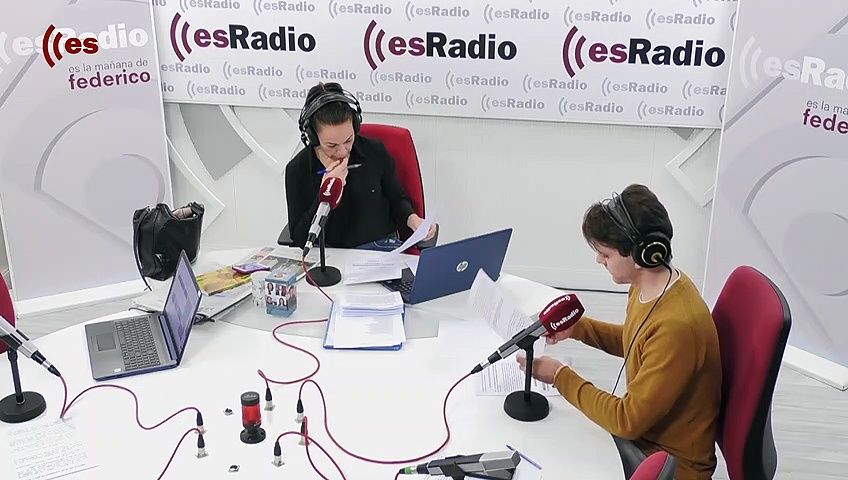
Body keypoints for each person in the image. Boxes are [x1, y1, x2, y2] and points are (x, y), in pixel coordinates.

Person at [517, 184, 722, 480]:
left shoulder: (677, 327)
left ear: (641, 255)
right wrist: (579, 328)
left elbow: (626, 421)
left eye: (605, 254)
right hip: (646, 438)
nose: (599, 260)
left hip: (670, 465)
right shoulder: (651, 285)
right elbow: (638, 342)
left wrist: (559, 376)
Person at [285, 82, 436, 251]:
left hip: (380, 248)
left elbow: (397, 199)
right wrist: (326, 192)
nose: (342, 151)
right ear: (313, 137)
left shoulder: (374, 152)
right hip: (329, 253)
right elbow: (300, 238)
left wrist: (414, 220)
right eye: (332, 145)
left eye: (348, 140)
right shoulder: (297, 170)